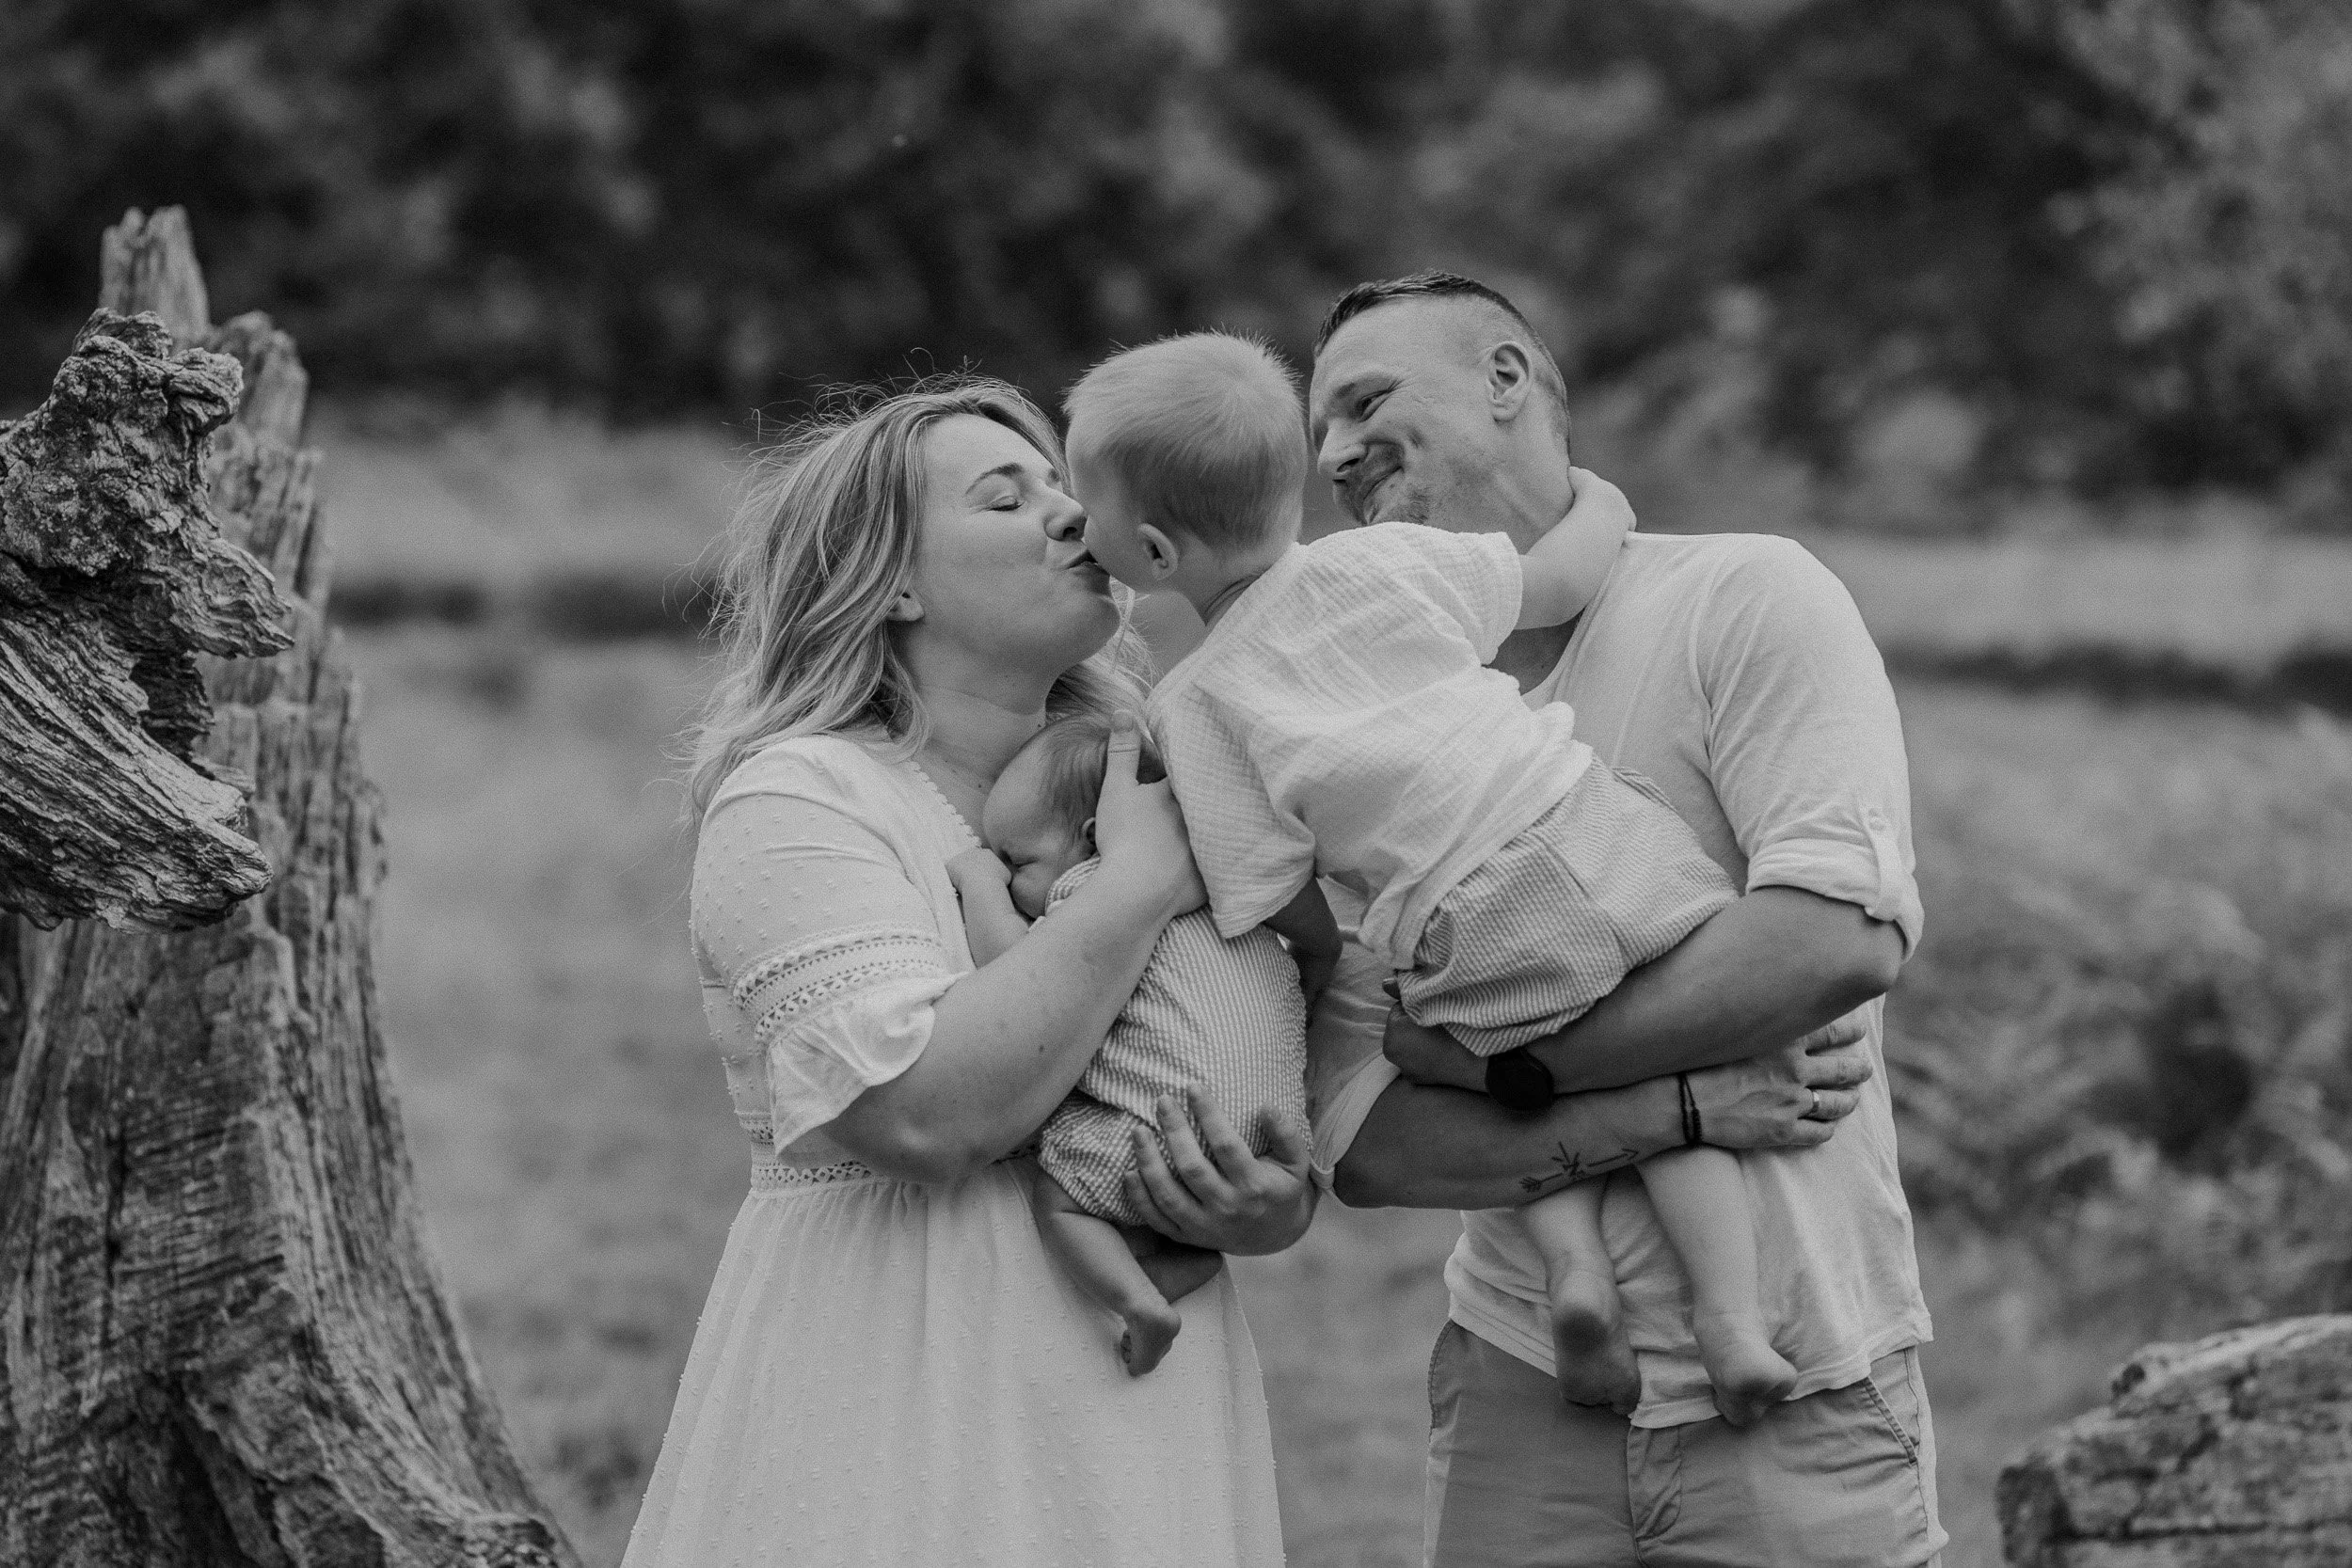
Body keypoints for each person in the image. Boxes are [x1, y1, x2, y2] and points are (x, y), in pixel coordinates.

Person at [624, 373, 1868, 1568]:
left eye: (1064, 485)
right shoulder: (805, 794)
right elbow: (924, 1109)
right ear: (886, 576)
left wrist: (1267, 1201)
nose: (1067, 510)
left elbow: (1328, 1079)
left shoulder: (1193, 753)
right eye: (1004, 498)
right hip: (904, 1365)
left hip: (1132, 1381)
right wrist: (1138, 885)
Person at [1304, 273, 1946, 1566]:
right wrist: (1687, 1097)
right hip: (1520, 1384)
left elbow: (1833, 940)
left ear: (1507, 378)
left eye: (1365, 400)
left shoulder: (1745, 597)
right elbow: (1371, 1142)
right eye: (1315, 432)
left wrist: (1507, 1069)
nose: (1331, 453)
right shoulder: (1349, 716)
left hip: (1804, 1382)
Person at [1061, 331, 1799, 1425]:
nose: (1075, 525)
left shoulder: (1192, 703)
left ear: (1158, 554)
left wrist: (1332, 958)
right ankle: (1732, 1324)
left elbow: (1268, 889)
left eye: (1084, 508)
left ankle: (1573, 1276)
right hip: (1590, 838)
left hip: (1457, 923)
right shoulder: (1379, 561)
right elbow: (1553, 578)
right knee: (1684, 1068)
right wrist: (1597, 497)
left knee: (1544, 1068)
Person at [950, 714, 1311, 1378]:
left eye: (1015, 859)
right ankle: (1181, 1266)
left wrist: (975, 879)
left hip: (1160, 1135)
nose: (1005, 875)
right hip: (1259, 1140)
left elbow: (1014, 967)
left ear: (1092, 839)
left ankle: (1140, 1300)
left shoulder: (1100, 885)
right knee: (1182, 1231)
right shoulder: (1221, 897)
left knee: (1060, 1198)